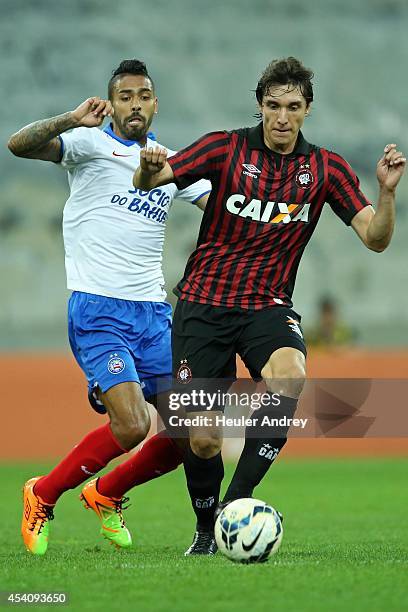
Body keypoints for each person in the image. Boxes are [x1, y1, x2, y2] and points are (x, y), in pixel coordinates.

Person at [132, 56, 406, 554]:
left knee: (291, 374)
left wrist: (387, 196)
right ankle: (203, 528)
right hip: (203, 305)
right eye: (273, 106)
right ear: (260, 106)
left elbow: (376, 239)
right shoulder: (226, 147)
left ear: (307, 110)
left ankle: (236, 503)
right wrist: (148, 172)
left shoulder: (325, 167)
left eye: (293, 107)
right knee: (203, 439)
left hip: (268, 305)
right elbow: (156, 179)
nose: (282, 117)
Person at [8, 59, 210, 556]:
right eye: (125, 96)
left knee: (197, 434)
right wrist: (69, 120)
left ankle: (107, 493)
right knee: (134, 424)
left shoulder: (170, 163)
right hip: (98, 309)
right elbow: (19, 144)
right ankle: (43, 494)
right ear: (112, 102)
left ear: (155, 103)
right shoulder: (87, 143)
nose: (134, 104)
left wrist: (202, 268)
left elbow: (223, 212)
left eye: (143, 95)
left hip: (154, 315)